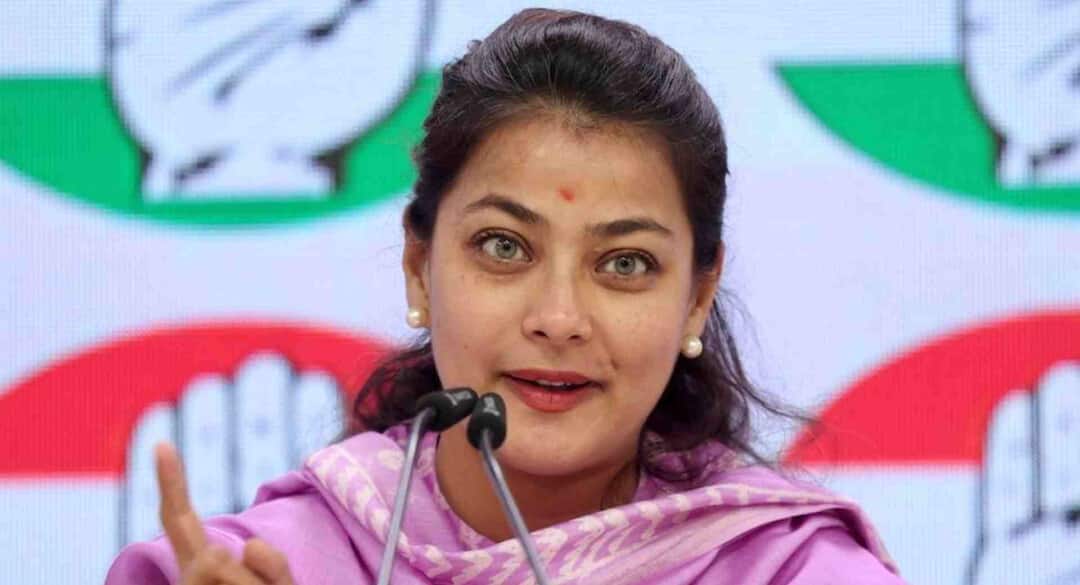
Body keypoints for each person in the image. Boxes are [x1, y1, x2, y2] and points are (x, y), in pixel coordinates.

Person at [106, 8, 906, 584]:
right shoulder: (264, 567)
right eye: (504, 247)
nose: (558, 318)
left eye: (625, 263)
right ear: (420, 266)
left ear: (697, 297)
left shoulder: (789, 568)